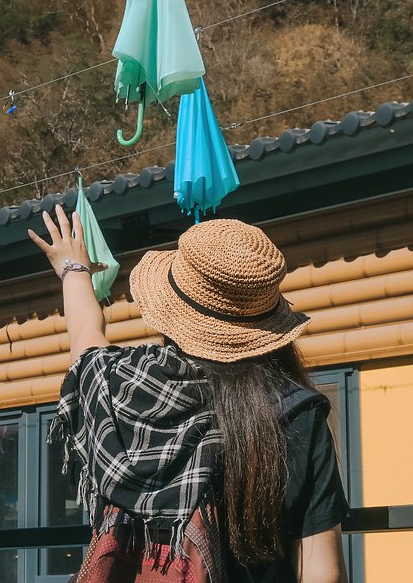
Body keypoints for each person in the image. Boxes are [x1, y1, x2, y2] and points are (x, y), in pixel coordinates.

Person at [29, 206, 349, 583]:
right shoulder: (296, 414)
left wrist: (73, 269)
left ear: (172, 309)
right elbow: (320, 572)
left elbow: (85, 339)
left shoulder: (123, 390)